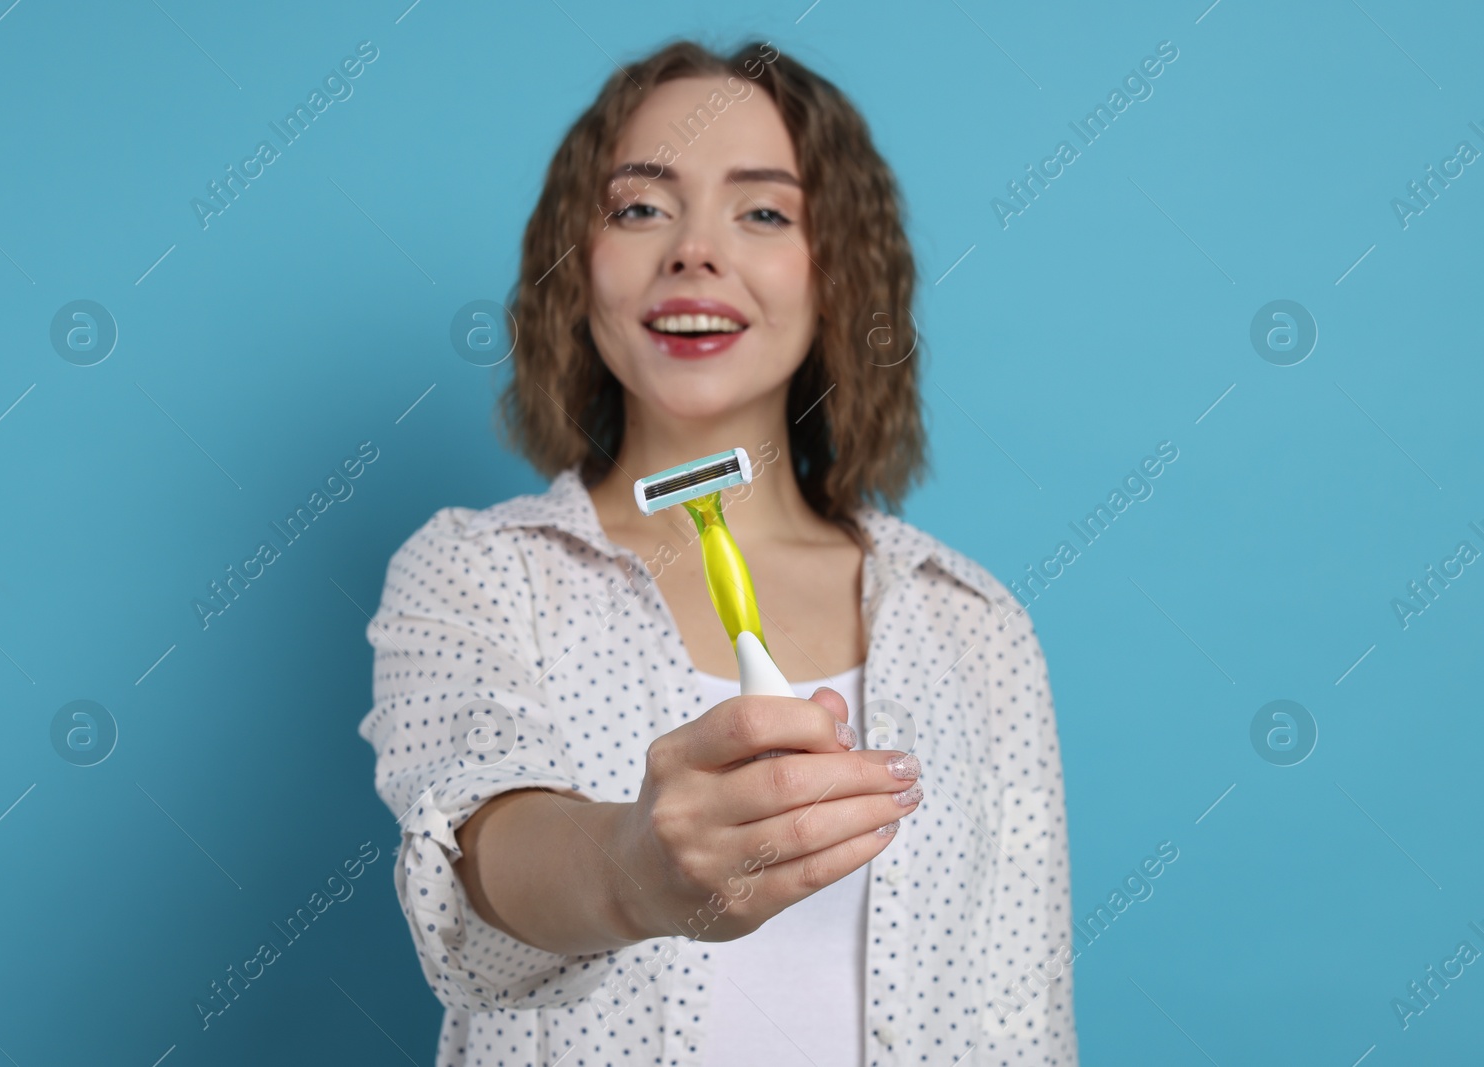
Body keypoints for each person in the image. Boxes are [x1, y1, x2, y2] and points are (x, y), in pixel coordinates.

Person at [357, 38, 1076, 1067]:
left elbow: (1022, 1010)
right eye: (640, 207)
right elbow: (476, 861)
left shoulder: (971, 618)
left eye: (764, 211)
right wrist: (632, 870)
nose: (694, 250)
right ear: (577, 261)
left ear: (839, 271)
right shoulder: (478, 574)